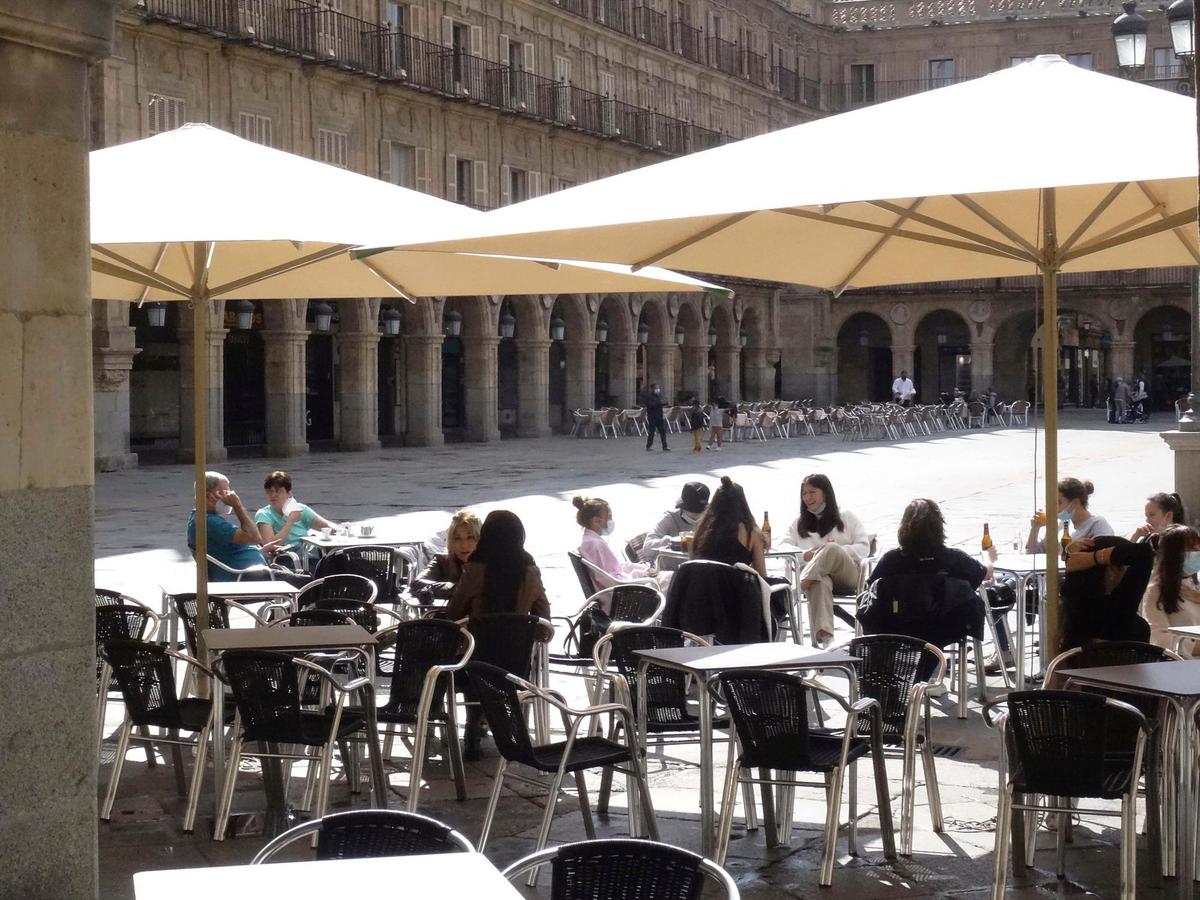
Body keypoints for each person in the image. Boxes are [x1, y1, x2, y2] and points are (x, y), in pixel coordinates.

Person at [443, 510, 552, 758]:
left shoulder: (475, 568)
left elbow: (455, 611)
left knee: (469, 653)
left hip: (476, 660)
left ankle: (472, 729)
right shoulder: (530, 570)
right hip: (517, 661)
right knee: (496, 657)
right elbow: (544, 617)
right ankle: (513, 728)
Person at [865, 498, 988, 679]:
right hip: (943, 627)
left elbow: (872, 588)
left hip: (898, 627)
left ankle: (925, 671)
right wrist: (989, 557)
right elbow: (983, 574)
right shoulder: (952, 558)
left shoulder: (891, 560)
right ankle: (935, 670)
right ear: (939, 528)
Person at [784, 474, 871, 647]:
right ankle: (826, 639)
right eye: (804, 494)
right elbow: (782, 547)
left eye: (812, 492)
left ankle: (800, 585)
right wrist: (806, 554)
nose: (808, 497)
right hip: (819, 576)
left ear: (825, 493)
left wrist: (837, 551)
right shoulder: (798, 523)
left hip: (847, 574)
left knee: (831, 548)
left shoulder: (846, 517)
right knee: (820, 580)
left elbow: (864, 547)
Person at [1059, 535, 1152, 651]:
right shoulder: (1120, 607)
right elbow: (1144, 553)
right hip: (1123, 668)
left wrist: (1072, 553)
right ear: (1112, 570)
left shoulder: (1073, 599)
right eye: (1125, 567)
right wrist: (1094, 558)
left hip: (1074, 668)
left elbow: (1074, 571)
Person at [187, 471, 275, 580]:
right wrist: (237, 506)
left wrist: (261, 551)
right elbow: (255, 538)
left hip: (251, 572)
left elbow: (224, 554)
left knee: (297, 575)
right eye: (225, 493)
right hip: (246, 577)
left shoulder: (203, 518)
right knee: (302, 584)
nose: (230, 497)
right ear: (209, 496)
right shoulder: (209, 522)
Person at [1140, 525, 1200, 656]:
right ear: (1174, 554)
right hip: (1184, 665)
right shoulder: (1155, 591)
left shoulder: (1195, 585)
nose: (1198, 551)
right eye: (1192, 548)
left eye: (1198, 546)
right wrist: (1195, 647)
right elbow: (1158, 638)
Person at [254, 470, 334, 566]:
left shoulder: (300, 509)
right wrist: (290, 521)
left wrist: (341, 529)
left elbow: (327, 525)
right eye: (269, 491)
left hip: (308, 553)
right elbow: (271, 545)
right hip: (288, 557)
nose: (273, 495)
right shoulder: (264, 514)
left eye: (278, 491)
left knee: (338, 556)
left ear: (288, 493)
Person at [575, 495, 654, 590]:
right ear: (596, 521)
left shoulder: (590, 539)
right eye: (609, 517)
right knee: (668, 580)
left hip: (616, 590)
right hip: (617, 596)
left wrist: (643, 569)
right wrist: (642, 574)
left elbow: (615, 567)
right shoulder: (594, 544)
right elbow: (611, 580)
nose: (611, 521)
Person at [1025, 477, 1113, 553]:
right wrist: (1035, 528)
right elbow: (1033, 555)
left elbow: (1101, 559)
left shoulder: (1098, 525)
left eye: (1058, 503)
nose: (1052, 508)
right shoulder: (1062, 522)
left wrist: (1068, 550)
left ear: (1075, 503)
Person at [412, 509, 481, 603]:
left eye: (470, 537)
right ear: (451, 541)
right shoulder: (442, 560)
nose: (464, 545)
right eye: (457, 538)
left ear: (480, 539)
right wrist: (455, 588)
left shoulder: (489, 563)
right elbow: (417, 583)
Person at [640, 482, 710, 565]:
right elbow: (647, 547)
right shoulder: (670, 518)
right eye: (693, 510)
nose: (697, 514)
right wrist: (673, 542)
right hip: (673, 568)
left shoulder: (711, 520)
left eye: (700, 511)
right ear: (683, 507)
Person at [642, 383, 670, 451]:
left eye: (658, 388)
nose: (658, 389)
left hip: (659, 417)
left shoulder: (659, 396)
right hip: (652, 417)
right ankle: (648, 446)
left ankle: (665, 446)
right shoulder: (649, 396)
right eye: (656, 388)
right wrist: (659, 403)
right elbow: (651, 405)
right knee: (651, 432)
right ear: (653, 389)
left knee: (663, 432)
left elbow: (664, 402)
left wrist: (664, 402)